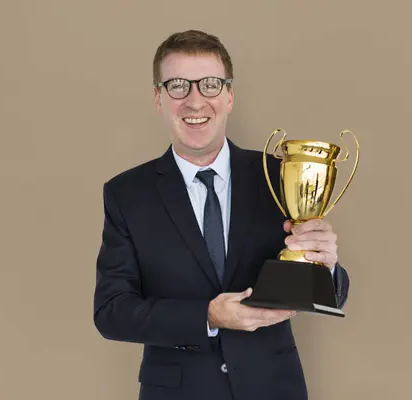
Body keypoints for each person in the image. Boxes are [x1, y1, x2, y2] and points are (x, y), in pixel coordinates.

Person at [93, 29, 350, 400]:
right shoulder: (127, 194)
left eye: (210, 85)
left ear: (229, 96)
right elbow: (112, 312)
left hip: (273, 389)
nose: (195, 102)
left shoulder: (279, 177)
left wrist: (325, 265)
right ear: (158, 98)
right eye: (178, 85)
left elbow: (332, 295)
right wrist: (207, 316)